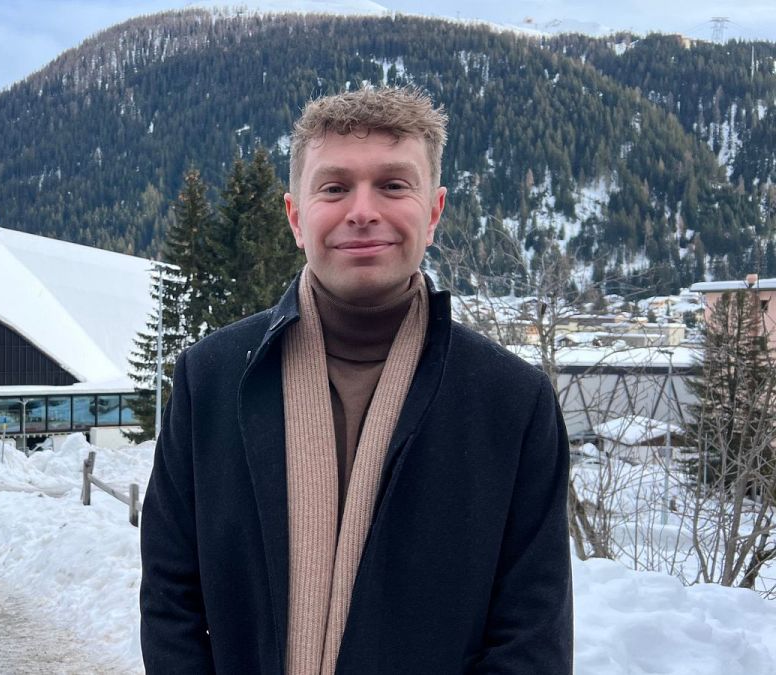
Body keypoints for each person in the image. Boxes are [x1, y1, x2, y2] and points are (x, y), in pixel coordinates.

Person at [139, 87, 573, 674]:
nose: (362, 210)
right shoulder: (211, 380)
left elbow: (531, 634)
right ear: (296, 216)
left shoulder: (510, 403)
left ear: (434, 211)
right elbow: (171, 599)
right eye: (334, 187)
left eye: (393, 185)